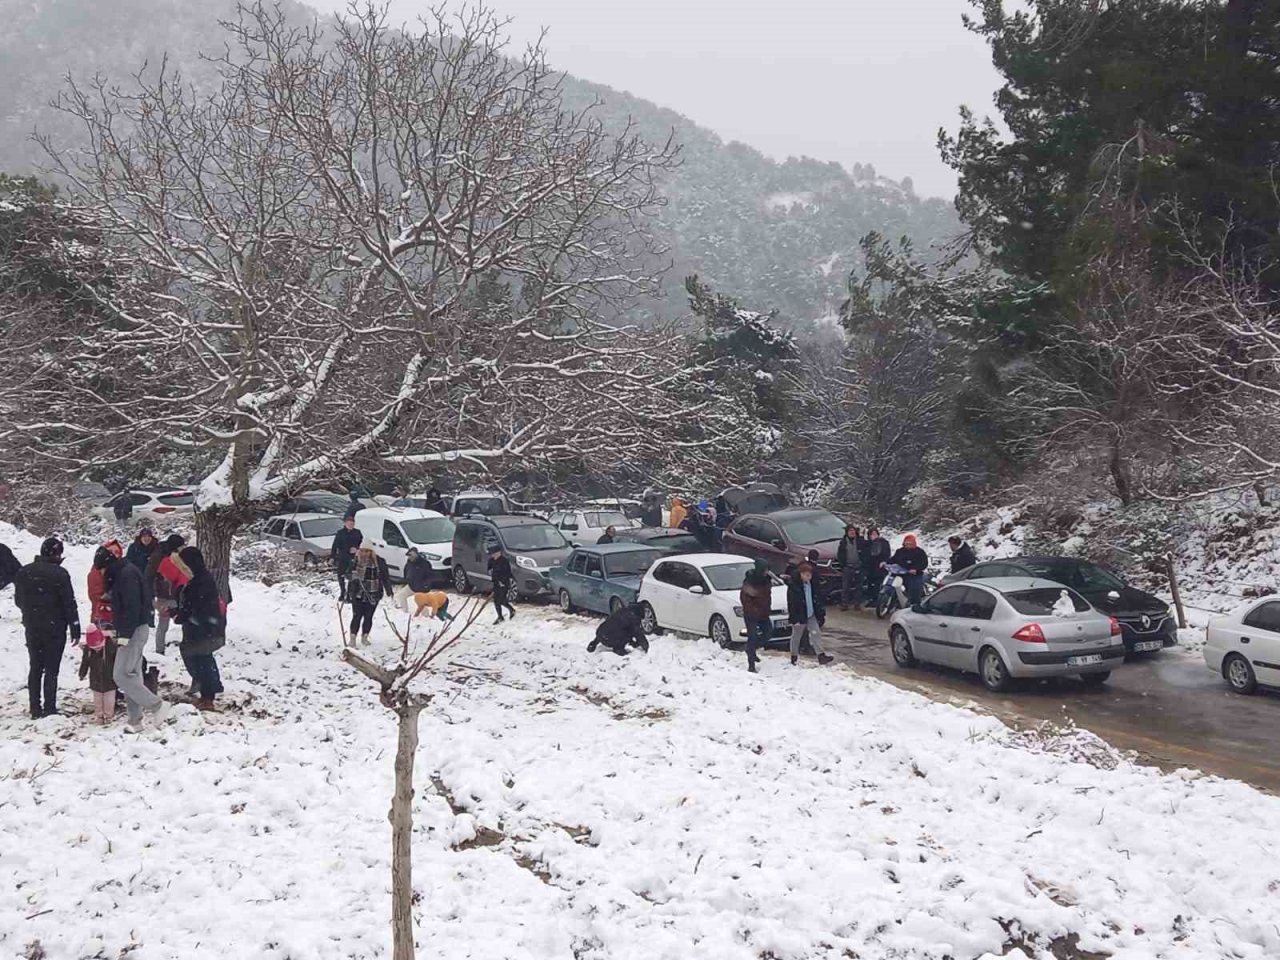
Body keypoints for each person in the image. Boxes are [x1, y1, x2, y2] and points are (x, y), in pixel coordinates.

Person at [13, 537, 81, 718]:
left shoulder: (24, 572)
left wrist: (31, 614)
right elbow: (69, 604)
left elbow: (18, 600)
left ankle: (35, 707)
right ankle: (50, 707)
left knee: (35, 666)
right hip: (55, 628)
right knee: (51, 669)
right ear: (57, 554)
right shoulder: (60, 574)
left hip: (32, 626)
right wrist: (75, 628)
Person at [101, 548, 167, 733]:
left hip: (133, 631)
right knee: (132, 675)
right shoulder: (127, 571)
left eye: (101, 570)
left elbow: (132, 607)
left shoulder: (125, 575)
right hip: (136, 628)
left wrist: (124, 634)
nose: (101, 574)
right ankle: (135, 721)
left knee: (121, 675)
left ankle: (157, 706)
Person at [174, 546, 226, 711]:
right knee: (203, 659)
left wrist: (182, 615)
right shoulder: (198, 578)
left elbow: (197, 606)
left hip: (204, 629)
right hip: (203, 627)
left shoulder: (201, 581)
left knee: (201, 661)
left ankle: (207, 696)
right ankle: (210, 690)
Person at [787, 562, 833, 666]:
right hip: (800, 615)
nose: (809, 577)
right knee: (796, 636)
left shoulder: (811, 584)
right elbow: (792, 603)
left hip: (810, 613)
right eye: (807, 575)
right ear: (801, 574)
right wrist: (794, 618)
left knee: (816, 633)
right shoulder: (794, 586)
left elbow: (815, 599)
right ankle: (794, 656)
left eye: (810, 575)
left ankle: (821, 655)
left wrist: (819, 612)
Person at [146, 533, 186, 655]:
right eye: (181, 546)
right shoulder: (162, 556)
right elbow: (150, 575)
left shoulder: (160, 553)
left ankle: (160, 649)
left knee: (164, 623)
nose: (182, 548)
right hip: (167, 593)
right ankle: (160, 649)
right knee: (173, 621)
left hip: (166, 593)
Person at [345, 544, 391, 646]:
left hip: (373, 594)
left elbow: (385, 577)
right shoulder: (354, 561)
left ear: (372, 552)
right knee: (356, 616)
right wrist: (352, 576)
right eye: (362, 551)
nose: (365, 553)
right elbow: (347, 574)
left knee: (368, 616)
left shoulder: (379, 562)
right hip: (358, 593)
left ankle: (365, 637)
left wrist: (389, 590)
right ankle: (352, 638)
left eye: (367, 551)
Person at [78, 625, 119, 724]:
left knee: (109, 700)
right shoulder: (88, 650)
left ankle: (109, 716)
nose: (97, 649)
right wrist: (82, 673)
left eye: (99, 647)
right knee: (98, 701)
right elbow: (85, 662)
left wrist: (118, 674)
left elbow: (118, 661)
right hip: (95, 679)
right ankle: (99, 716)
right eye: (94, 648)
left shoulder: (111, 646)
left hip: (110, 679)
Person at [739, 558, 773, 673]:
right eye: (764, 570)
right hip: (751, 615)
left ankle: (751, 650)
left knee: (768, 633)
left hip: (764, 614)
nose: (766, 572)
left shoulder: (767, 580)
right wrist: (754, 610)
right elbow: (745, 600)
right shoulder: (749, 582)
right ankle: (751, 665)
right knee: (752, 637)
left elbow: (767, 596)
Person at [889, 534, 930, 606]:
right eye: (906, 543)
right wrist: (885, 563)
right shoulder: (900, 551)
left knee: (914, 587)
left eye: (910, 543)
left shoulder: (919, 552)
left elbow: (924, 563)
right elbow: (893, 559)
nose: (908, 545)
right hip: (901, 572)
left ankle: (915, 603)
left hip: (914, 574)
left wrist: (916, 569)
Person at [331, 513, 363, 600]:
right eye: (349, 524)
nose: (351, 525)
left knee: (351, 577)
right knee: (340, 575)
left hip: (354, 558)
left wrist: (356, 549)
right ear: (345, 524)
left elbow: (362, 543)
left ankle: (349, 595)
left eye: (352, 524)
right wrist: (332, 557)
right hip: (343, 557)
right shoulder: (340, 533)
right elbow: (335, 545)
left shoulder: (357, 533)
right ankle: (343, 592)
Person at [836, 524, 865, 611]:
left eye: (853, 531)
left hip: (859, 566)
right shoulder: (843, 542)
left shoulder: (860, 541)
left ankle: (857, 604)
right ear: (847, 532)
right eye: (850, 531)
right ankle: (845, 604)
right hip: (848, 567)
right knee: (845, 587)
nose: (852, 532)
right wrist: (843, 565)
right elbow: (840, 555)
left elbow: (865, 552)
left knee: (858, 587)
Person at [487, 546, 517, 623]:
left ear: (499, 553)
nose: (493, 556)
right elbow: (489, 569)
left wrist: (503, 581)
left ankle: (511, 610)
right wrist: (490, 572)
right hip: (496, 583)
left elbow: (508, 573)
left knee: (502, 599)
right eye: (492, 554)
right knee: (496, 600)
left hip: (504, 583)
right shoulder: (491, 561)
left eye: (494, 554)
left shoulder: (504, 561)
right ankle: (500, 617)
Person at [863, 528, 891, 605]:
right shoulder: (867, 544)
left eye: (875, 534)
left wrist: (884, 561)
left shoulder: (884, 543)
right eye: (872, 534)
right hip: (870, 567)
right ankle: (871, 599)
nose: (873, 536)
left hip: (880, 567)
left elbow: (887, 554)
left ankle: (877, 601)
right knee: (870, 584)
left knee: (878, 585)